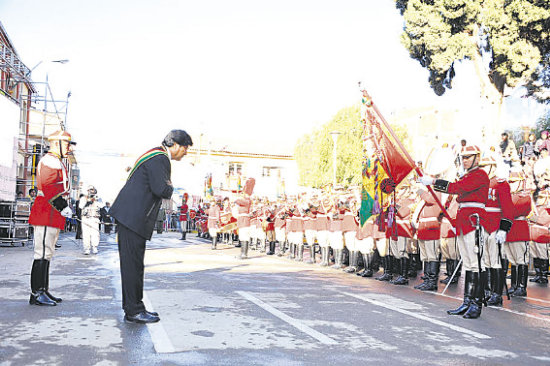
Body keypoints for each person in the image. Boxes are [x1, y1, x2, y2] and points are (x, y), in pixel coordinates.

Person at [109, 129, 192, 324]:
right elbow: (161, 188)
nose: (186, 152)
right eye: (186, 148)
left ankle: (135, 307)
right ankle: (133, 310)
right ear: (176, 145)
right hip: (132, 218)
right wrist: (172, 187)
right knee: (132, 266)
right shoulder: (160, 157)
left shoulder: (156, 155)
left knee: (135, 265)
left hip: (131, 217)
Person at [420, 144, 490, 319]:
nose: (465, 161)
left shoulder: (480, 175)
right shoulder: (467, 176)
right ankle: (467, 301)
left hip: (474, 221)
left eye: (468, 157)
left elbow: (458, 188)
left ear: (477, 158)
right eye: (463, 158)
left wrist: (434, 182)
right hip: (464, 221)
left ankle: (476, 303)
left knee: (475, 264)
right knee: (467, 264)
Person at [28, 130, 75, 306]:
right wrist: (63, 207)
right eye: (67, 144)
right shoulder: (49, 161)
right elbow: (49, 188)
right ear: (56, 143)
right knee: (41, 252)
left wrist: (63, 208)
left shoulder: (56, 161)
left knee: (48, 252)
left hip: (52, 210)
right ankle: (36, 293)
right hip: (47, 210)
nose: (69, 147)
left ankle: (43, 290)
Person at [81, 185, 102, 255]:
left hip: (94, 218)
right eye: (90, 190)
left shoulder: (98, 198)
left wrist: (95, 200)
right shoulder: (83, 198)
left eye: (92, 190)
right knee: (86, 234)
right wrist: (87, 202)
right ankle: (87, 248)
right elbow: (80, 206)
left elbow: (101, 205)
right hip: (86, 218)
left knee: (95, 234)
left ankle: (94, 247)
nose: (91, 191)